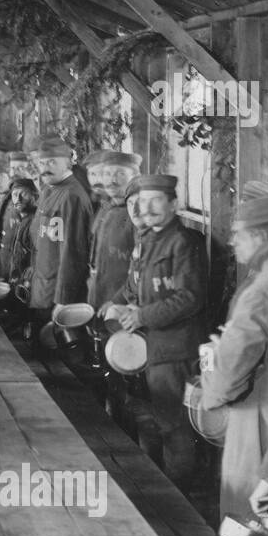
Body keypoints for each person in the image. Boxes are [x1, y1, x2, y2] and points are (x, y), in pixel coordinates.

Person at [193, 192, 268, 521]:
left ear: (258, 236)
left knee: (252, 525)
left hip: (263, 430)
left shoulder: (261, 291)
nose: (232, 243)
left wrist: (213, 361)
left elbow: (227, 380)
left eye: (236, 235)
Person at [103, 174, 208, 489]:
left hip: (174, 349)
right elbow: (136, 284)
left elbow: (191, 297)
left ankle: (179, 494)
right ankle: (155, 484)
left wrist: (143, 316)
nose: (145, 209)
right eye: (140, 202)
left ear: (174, 204)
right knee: (149, 419)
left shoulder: (184, 242)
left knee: (173, 425)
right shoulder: (146, 239)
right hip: (150, 347)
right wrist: (118, 302)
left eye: (155, 201)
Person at [28, 136, 94, 324]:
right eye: (42, 163)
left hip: (57, 293)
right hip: (42, 287)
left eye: (52, 162)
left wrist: (64, 299)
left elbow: (73, 253)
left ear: (67, 164)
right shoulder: (49, 190)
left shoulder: (71, 196)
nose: (45, 168)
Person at [87, 150, 142, 310]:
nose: (111, 180)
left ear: (135, 177)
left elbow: (141, 268)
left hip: (121, 302)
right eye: (107, 174)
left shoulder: (137, 214)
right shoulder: (106, 207)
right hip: (98, 291)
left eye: (120, 174)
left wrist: (121, 301)